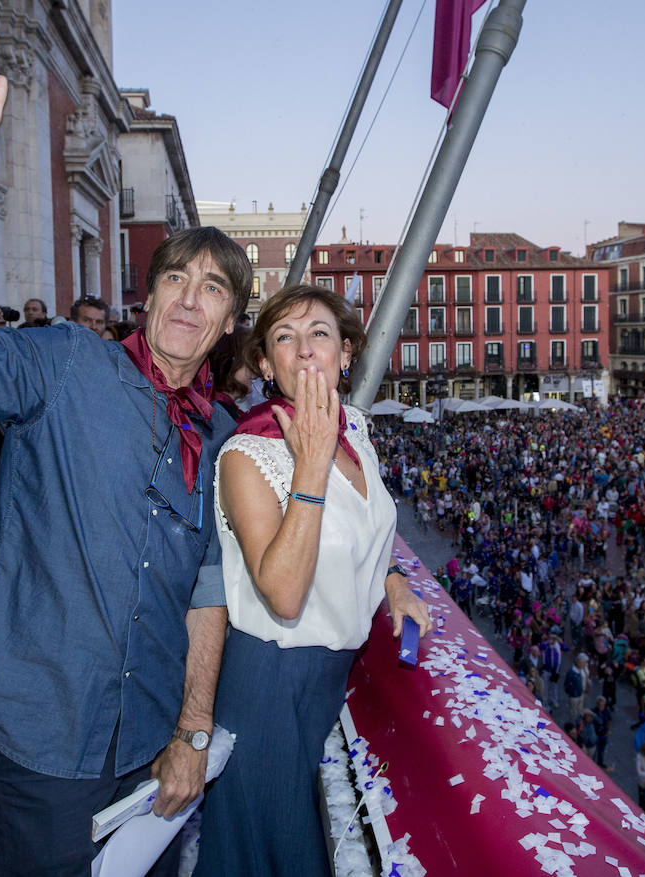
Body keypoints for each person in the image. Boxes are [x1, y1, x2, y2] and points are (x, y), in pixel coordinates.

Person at [0, 59, 251, 875]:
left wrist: (193, 732)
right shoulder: (62, 362)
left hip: (154, 740)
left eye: (211, 288)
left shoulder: (224, 433)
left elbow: (209, 587)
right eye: (175, 277)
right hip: (44, 740)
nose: (188, 299)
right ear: (148, 293)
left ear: (230, 319)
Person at [195, 284, 430, 876]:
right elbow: (284, 591)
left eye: (319, 334)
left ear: (345, 353)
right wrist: (311, 466)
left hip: (324, 680)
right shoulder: (248, 454)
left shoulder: (354, 431)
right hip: (269, 684)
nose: (304, 352)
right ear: (267, 366)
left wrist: (395, 580)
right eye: (284, 339)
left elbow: (367, 534)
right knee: (270, 854)